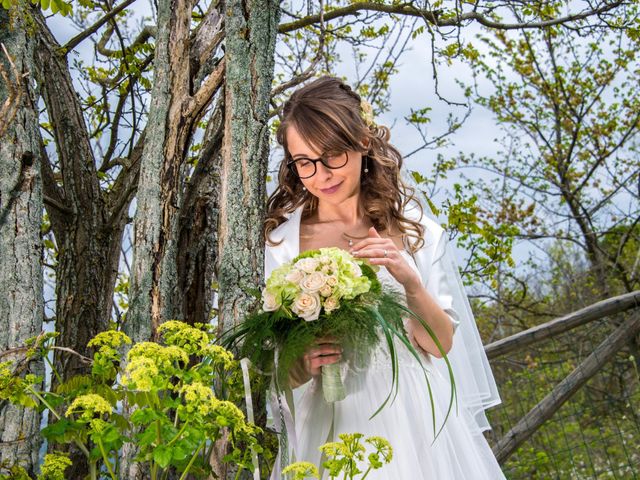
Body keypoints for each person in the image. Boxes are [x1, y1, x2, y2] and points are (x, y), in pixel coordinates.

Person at [263, 76, 505, 479]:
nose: (321, 174)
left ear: (362, 142)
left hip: (416, 418)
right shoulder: (281, 244)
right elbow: (276, 364)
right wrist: (302, 363)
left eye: (332, 155)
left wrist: (409, 282)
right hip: (332, 418)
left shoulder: (416, 232)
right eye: (304, 162)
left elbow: (440, 343)